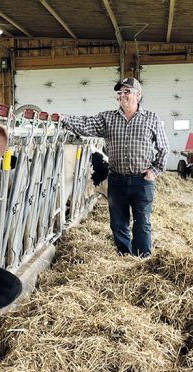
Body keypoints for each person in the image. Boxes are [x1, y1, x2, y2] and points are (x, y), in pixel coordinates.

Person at [61, 77, 170, 257]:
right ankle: (125, 257)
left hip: (142, 180)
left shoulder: (151, 118)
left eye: (127, 91)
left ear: (138, 95)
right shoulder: (108, 118)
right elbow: (85, 124)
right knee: (118, 223)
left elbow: (163, 148)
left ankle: (142, 258)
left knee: (142, 222)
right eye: (119, 93)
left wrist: (154, 171)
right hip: (117, 179)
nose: (122, 95)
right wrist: (64, 119)